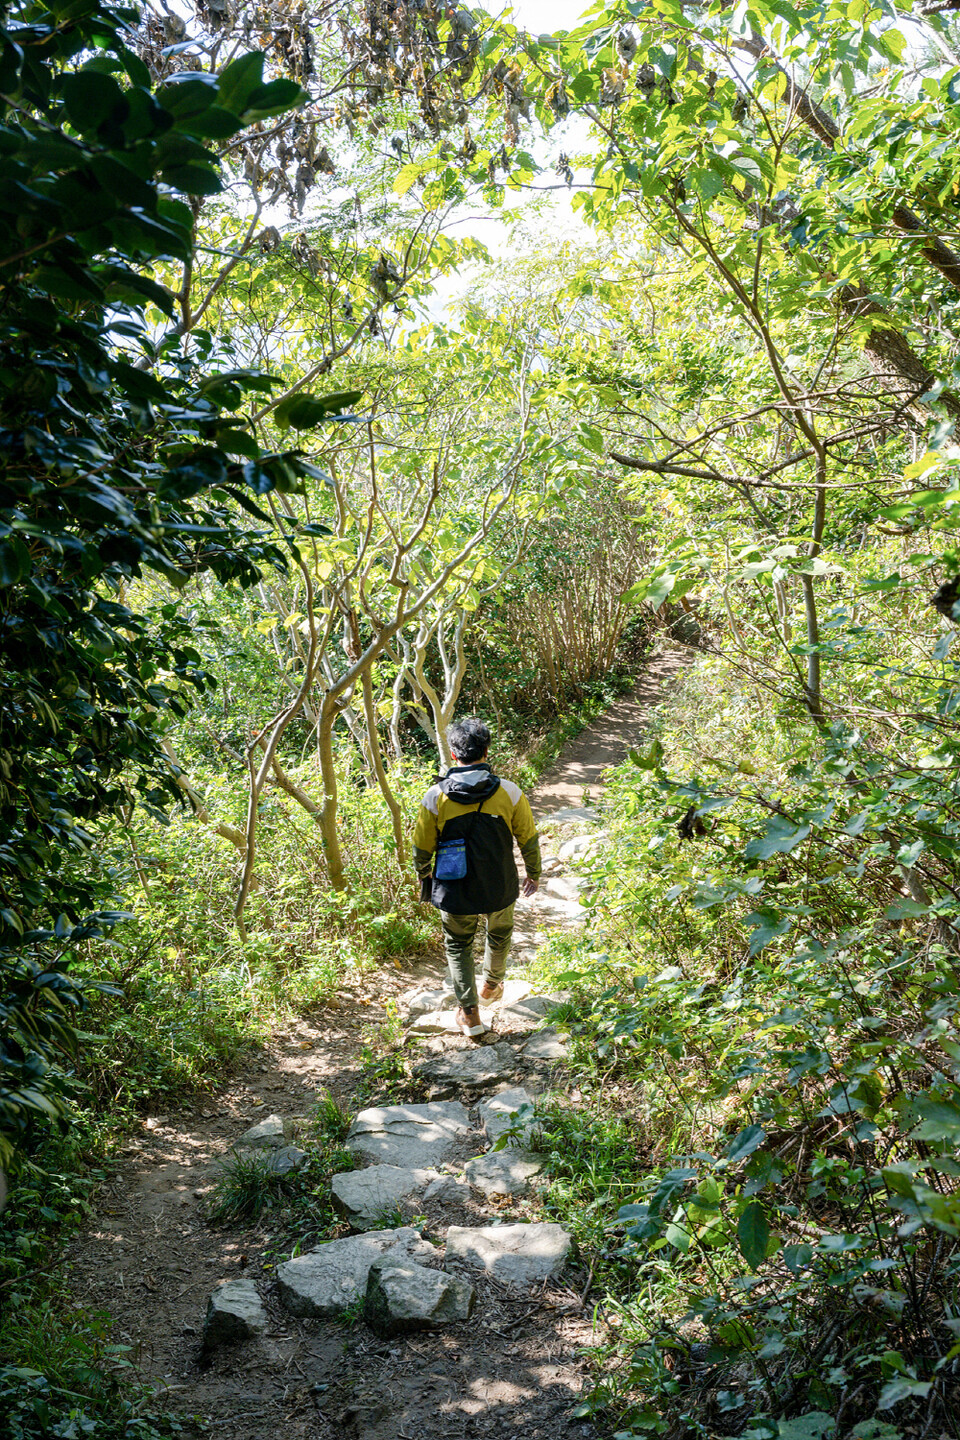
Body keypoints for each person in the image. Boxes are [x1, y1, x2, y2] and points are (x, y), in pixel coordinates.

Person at [413, 717, 541, 1038]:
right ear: (486, 751)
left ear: (454, 755)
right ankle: (491, 986)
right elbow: (528, 838)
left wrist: (423, 875)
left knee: (458, 945)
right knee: (499, 936)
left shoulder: (435, 797)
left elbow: (421, 845)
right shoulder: (509, 792)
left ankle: (469, 1014)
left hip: (455, 888)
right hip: (499, 884)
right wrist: (533, 873)